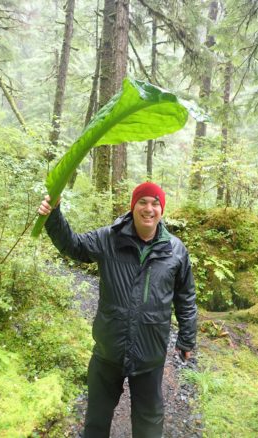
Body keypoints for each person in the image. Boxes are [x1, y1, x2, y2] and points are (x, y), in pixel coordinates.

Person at [38, 181, 197, 438]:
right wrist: (53, 215)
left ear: (162, 210)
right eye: (142, 202)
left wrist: (187, 338)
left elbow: (186, 296)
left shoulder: (176, 251)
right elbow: (74, 245)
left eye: (155, 203)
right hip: (108, 350)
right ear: (132, 207)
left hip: (150, 353)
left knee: (148, 421)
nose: (149, 208)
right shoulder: (108, 238)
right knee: (97, 419)